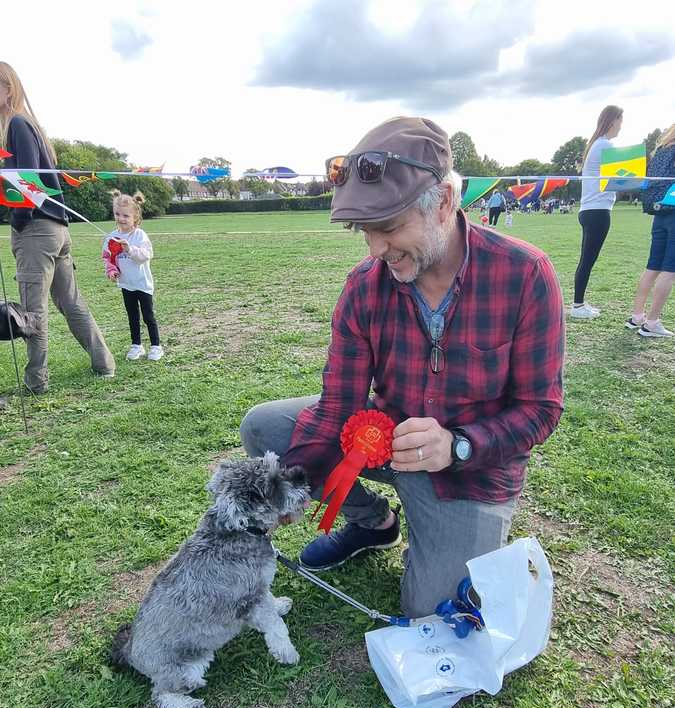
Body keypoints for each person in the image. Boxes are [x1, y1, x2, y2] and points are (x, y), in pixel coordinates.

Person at [240, 117, 565, 618]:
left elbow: (540, 410)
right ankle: (375, 523)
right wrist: (287, 486)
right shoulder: (364, 285)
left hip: (471, 472)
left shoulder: (525, 274)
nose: (375, 249)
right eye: (365, 231)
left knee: (432, 615)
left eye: (388, 228)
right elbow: (337, 409)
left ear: (443, 204)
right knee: (265, 427)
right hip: (384, 441)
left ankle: (442, 539)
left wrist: (457, 444)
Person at [0, 61, 115, 394]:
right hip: (56, 230)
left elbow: (27, 184)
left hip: (36, 230)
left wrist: (18, 222)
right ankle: (104, 363)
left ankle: (36, 382)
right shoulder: (28, 125)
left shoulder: (18, 125)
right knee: (70, 301)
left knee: (31, 312)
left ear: (9, 88)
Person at [571, 104, 624, 320]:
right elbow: (620, 180)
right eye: (621, 120)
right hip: (597, 211)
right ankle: (577, 305)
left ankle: (579, 303)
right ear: (613, 121)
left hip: (590, 210)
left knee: (586, 259)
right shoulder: (605, 146)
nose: (621, 126)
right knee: (587, 260)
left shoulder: (597, 145)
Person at [625, 124, 675, 338]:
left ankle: (637, 316)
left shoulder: (662, 151)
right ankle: (652, 323)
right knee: (670, 270)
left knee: (653, 266)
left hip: (659, 214)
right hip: (673, 211)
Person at [103, 190, 164, 360]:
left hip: (142, 284)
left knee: (148, 316)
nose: (121, 219)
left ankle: (155, 346)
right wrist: (112, 271)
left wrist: (129, 249)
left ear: (135, 217)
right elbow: (108, 257)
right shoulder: (112, 237)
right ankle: (136, 345)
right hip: (126, 284)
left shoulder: (140, 236)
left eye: (125, 215)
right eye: (117, 214)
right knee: (132, 317)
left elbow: (146, 255)